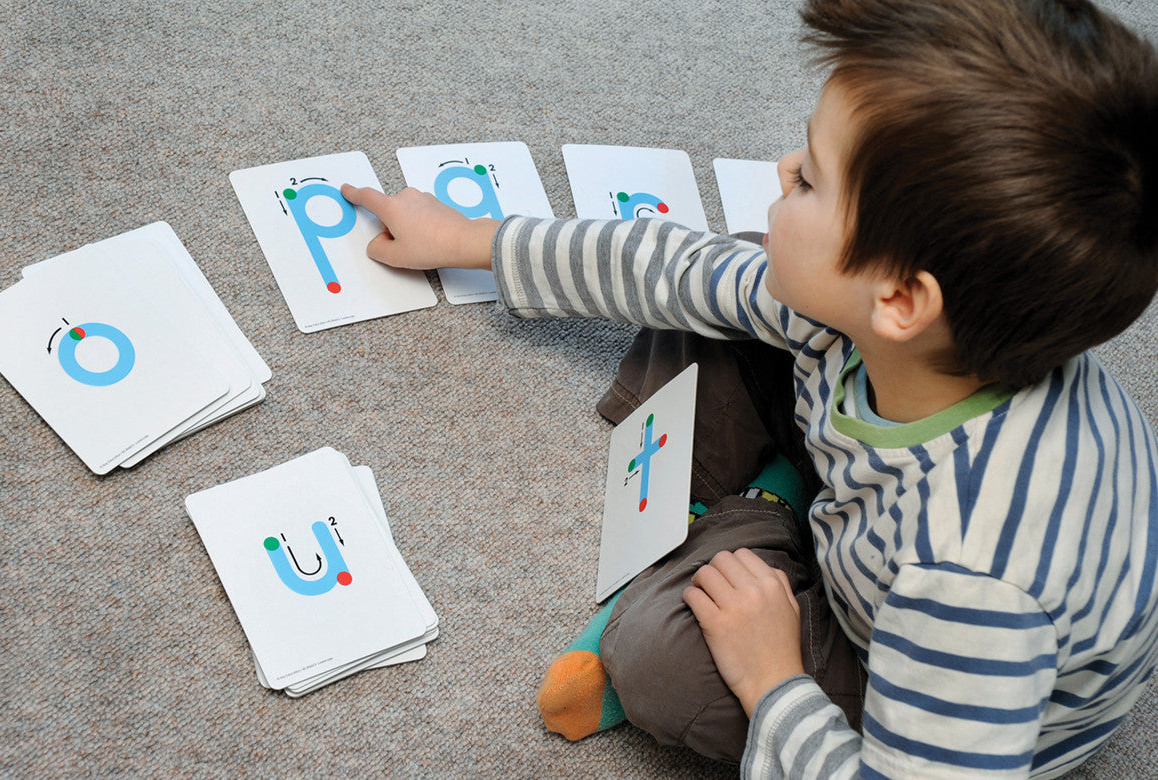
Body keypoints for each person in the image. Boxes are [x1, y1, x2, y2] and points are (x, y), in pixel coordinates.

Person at [341, 0, 1158, 774]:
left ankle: (742, 521)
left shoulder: (970, 589)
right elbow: (675, 266)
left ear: (902, 301)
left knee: (661, 663)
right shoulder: (899, 322)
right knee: (732, 276)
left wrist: (772, 677)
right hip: (876, 503)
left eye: (811, 180)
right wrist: (473, 238)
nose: (783, 166)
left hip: (915, 676)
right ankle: (768, 504)